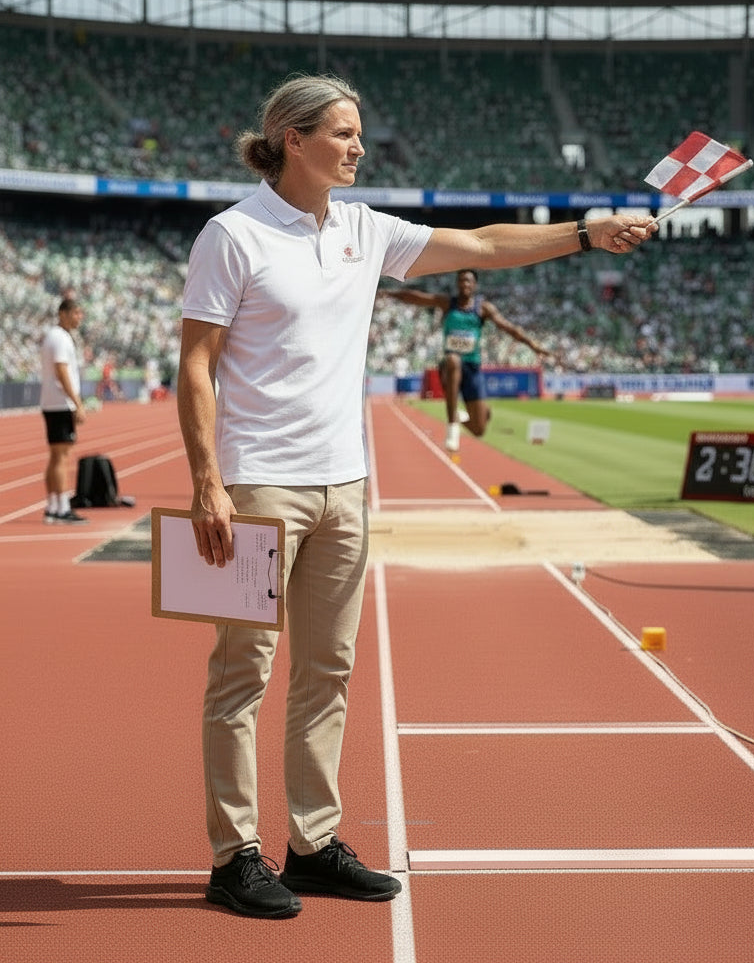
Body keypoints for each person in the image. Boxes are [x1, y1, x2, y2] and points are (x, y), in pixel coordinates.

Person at [177, 72, 657, 920]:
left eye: (359, 133)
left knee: (327, 670)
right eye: (344, 133)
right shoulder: (233, 235)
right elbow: (197, 365)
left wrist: (587, 232)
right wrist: (207, 482)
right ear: (294, 139)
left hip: (346, 487)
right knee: (240, 675)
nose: (361, 146)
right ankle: (233, 855)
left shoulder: (365, 230)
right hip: (255, 486)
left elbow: (482, 247)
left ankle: (314, 845)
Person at [385, 268, 552, 451]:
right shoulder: (448, 303)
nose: (465, 284)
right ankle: (452, 428)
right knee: (453, 360)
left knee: (479, 429)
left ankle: (460, 416)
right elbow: (416, 297)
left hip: (472, 369)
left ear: (475, 285)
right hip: (449, 369)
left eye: (468, 281)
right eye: (461, 280)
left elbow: (509, 328)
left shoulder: (482, 308)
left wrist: (533, 345)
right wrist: (388, 293)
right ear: (457, 283)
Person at [40, 297, 88, 524]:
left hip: (52, 403)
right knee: (62, 456)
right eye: (76, 313)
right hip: (60, 403)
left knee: (55, 456)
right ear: (63, 313)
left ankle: (52, 505)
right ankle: (61, 509)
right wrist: (77, 403)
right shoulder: (60, 338)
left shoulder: (54, 336)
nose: (80, 317)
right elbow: (62, 371)